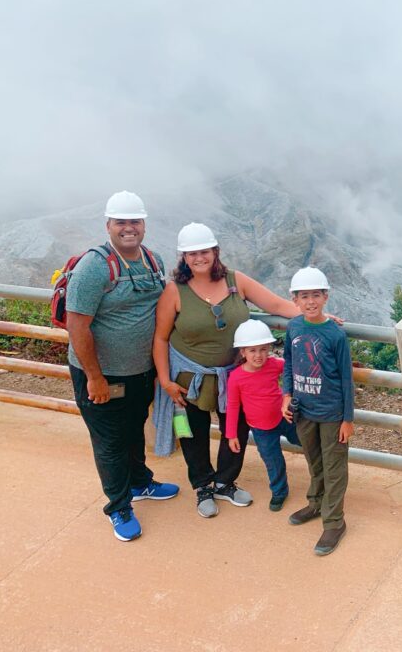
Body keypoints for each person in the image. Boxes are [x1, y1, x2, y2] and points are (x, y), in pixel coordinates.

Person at [152, 222, 308, 519]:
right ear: (183, 258)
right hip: (188, 380)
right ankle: (202, 487)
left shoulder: (236, 281)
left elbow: (275, 304)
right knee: (190, 433)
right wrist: (165, 381)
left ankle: (225, 481)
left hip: (234, 378)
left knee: (235, 429)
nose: (199, 257)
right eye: (192, 253)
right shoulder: (175, 291)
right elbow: (160, 338)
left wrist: (314, 315)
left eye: (205, 251)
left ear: (215, 251)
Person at [66, 190, 179, 542]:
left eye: (135, 221)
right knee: (110, 440)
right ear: (108, 225)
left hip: (140, 372)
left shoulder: (152, 260)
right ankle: (118, 505)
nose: (129, 228)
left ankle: (141, 482)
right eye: (121, 222)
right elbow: (77, 325)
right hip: (104, 375)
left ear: (143, 224)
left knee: (133, 428)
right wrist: (95, 378)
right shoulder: (94, 266)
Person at [281, 266, 354, 556]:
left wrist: (347, 418)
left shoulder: (335, 335)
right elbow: (288, 361)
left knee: (334, 466)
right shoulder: (294, 327)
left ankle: (334, 521)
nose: (310, 302)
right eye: (304, 296)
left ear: (325, 297)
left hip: (332, 412)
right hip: (303, 409)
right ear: (295, 300)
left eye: (315, 295)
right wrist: (287, 395)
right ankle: (315, 502)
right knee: (314, 460)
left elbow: (346, 380)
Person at [225, 319, 300, 512]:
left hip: (284, 417)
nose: (258, 355)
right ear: (242, 352)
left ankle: (322, 475)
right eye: (252, 350)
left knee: (307, 441)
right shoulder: (236, 377)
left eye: (263, 349)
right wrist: (231, 434)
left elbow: (292, 369)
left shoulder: (274, 365)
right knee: (273, 461)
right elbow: (233, 406)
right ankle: (279, 492)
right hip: (261, 429)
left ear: (269, 349)